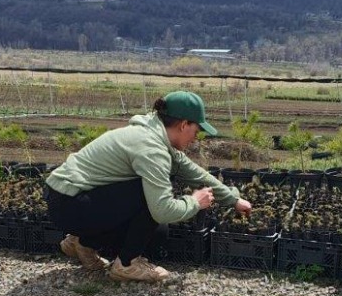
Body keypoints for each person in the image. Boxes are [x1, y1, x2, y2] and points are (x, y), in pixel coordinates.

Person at [44, 90, 253, 282]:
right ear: (183, 125)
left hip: (65, 199)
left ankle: (81, 243)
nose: (196, 138)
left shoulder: (153, 133)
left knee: (154, 225)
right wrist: (195, 202)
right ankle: (126, 265)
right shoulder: (151, 148)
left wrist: (233, 200)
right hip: (70, 204)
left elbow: (192, 171)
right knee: (151, 203)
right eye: (196, 131)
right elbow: (162, 210)